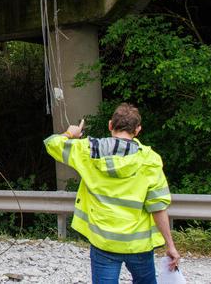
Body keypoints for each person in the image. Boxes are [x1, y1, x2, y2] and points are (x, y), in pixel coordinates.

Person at [44, 103, 180, 283]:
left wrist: (71, 133)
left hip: (104, 242)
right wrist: (170, 245)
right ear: (138, 130)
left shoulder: (87, 150)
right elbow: (158, 207)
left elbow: (52, 143)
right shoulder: (150, 160)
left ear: (110, 125)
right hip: (138, 245)